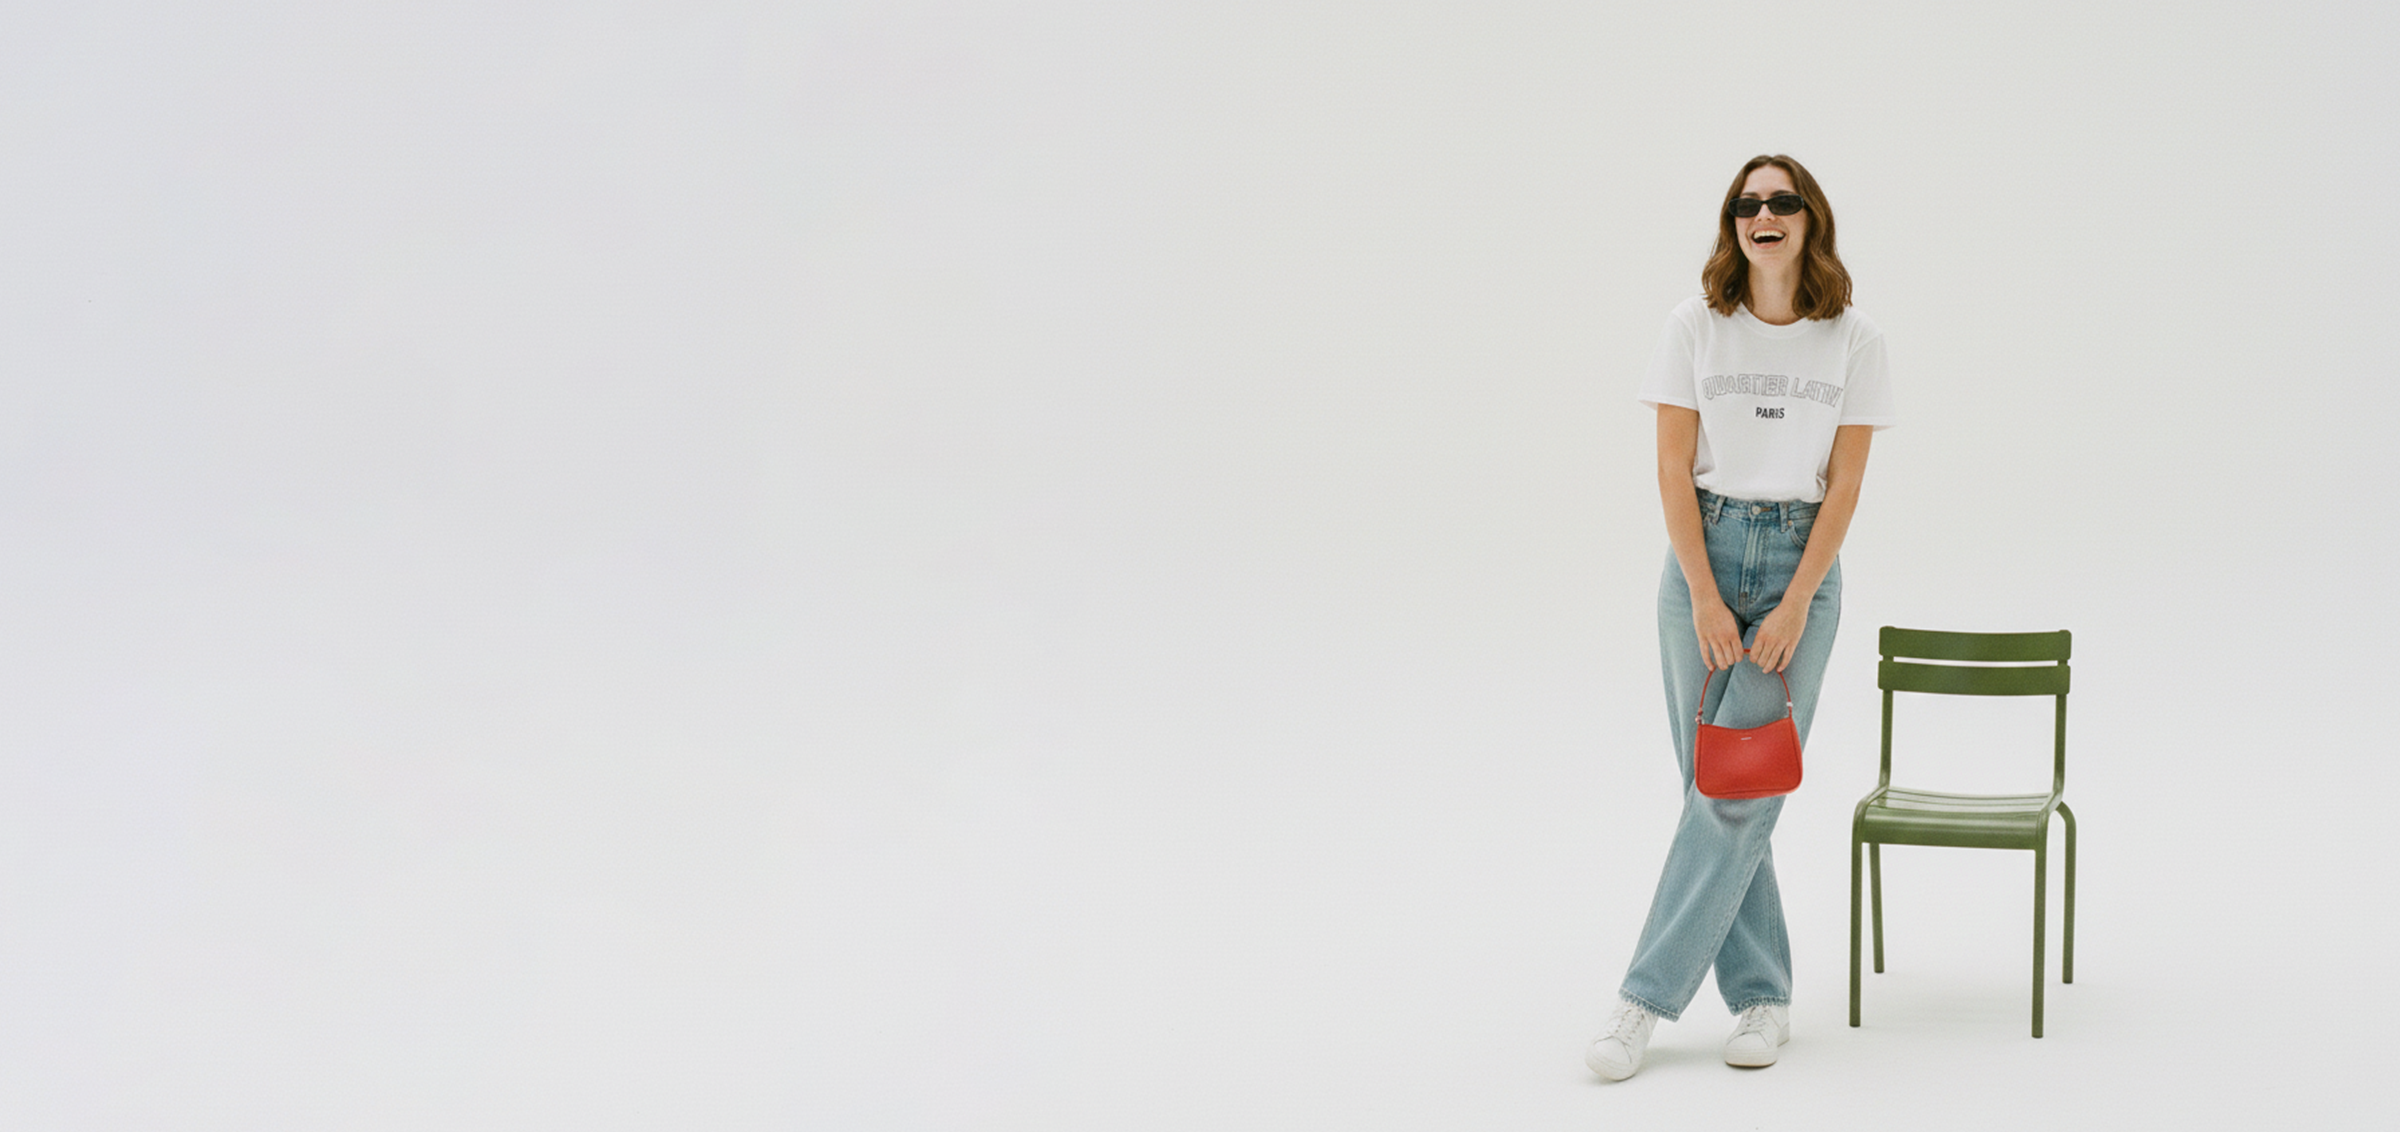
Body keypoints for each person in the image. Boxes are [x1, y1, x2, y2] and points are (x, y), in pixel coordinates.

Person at [1586, 154, 1898, 1080]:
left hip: (1803, 565)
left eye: (1781, 202)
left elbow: (1845, 485)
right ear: (1734, 224)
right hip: (1703, 560)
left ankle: (1642, 1002)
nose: (1764, 215)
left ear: (1811, 220)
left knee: (1740, 789)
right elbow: (1671, 471)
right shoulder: (1695, 326)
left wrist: (1796, 600)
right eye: (1746, 204)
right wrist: (1707, 596)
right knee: (1711, 789)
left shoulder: (1854, 337)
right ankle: (1763, 996)